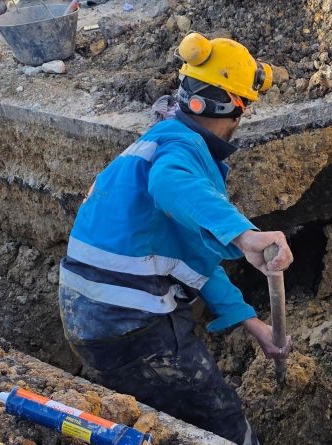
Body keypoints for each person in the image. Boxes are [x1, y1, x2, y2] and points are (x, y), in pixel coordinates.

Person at [57, 33, 291, 444]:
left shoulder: (155, 142)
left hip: (90, 318)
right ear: (235, 107)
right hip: (130, 322)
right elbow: (171, 183)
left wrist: (252, 323)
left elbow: (193, 259)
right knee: (219, 416)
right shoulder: (178, 152)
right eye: (245, 111)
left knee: (157, 409)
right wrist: (244, 235)